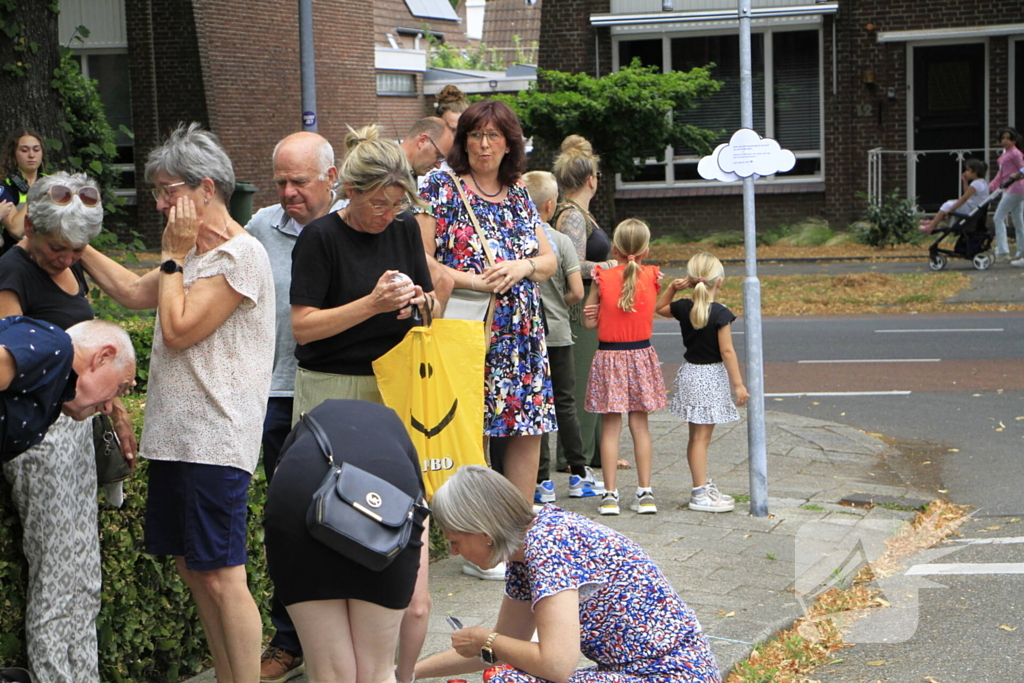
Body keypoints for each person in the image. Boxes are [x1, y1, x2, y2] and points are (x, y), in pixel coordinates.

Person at [81, 123, 276, 682]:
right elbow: (128, 291)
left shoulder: (240, 256)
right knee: (195, 570)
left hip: (215, 441)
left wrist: (171, 258)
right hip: (177, 439)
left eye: (169, 191)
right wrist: (73, 242)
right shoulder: (192, 256)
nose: (161, 202)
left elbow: (178, 327)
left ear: (206, 189)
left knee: (222, 574)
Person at [0, 172, 137, 683]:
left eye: (78, 250)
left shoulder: (68, 264)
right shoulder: (11, 273)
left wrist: (113, 404)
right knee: (58, 578)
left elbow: (92, 350)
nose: (69, 258)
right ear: (30, 226)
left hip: (74, 427)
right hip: (39, 436)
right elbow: (11, 369)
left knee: (84, 575)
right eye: (59, 248)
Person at [413, 465, 722, 683]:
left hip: (672, 674)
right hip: (656, 671)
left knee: (508, 680)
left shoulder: (549, 547)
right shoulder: (529, 544)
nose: (453, 552)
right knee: (508, 673)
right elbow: (507, 645)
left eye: (455, 541)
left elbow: (557, 664)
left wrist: (488, 640)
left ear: (484, 532)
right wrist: (407, 672)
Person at [416, 100, 557, 504]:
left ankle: (516, 533)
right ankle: (477, 534)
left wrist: (521, 267)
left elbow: (547, 262)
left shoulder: (517, 193)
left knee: (526, 426)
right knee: (470, 426)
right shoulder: (437, 187)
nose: (483, 145)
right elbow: (422, 260)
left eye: (493, 135)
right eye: (475, 135)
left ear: (509, 143)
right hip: (469, 328)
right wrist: (475, 282)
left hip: (522, 335)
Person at [245, 130, 345, 683]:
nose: (287, 192)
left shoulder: (355, 226)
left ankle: (346, 638)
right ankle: (290, 641)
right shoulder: (261, 227)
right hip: (277, 393)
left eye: (298, 181)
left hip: (343, 393)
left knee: (346, 515)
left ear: (331, 178)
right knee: (288, 522)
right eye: (280, 181)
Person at [264, 399, 426, 683]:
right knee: (376, 673)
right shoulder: (403, 451)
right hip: (388, 494)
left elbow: (275, 523)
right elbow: (418, 608)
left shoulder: (304, 432)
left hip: (298, 495)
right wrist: (405, 675)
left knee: (330, 673)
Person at [521, 171, 602, 504]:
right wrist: (560, 303)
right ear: (551, 205)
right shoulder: (562, 241)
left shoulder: (519, 240)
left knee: (535, 406)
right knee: (565, 404)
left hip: (528, 336)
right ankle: (578, 472)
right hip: (558, 333)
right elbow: (576, 291)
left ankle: (540, 480)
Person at [581, 219, 666, 516]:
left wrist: (596, 295)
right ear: (646, 250)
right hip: (641, 355)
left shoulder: (602, 276)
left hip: (610, 357)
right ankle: (645, 494)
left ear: (614, 248)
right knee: (640, 426)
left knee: (610, 428)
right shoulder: (654, 276)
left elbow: (589, 322)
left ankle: (609, 495)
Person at [656, 252, 749, 513]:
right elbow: (727, 352)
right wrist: (739, 384)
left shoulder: (685, 307)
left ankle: (700, 485)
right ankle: (700, 493)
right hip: (710, 378)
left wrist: (671, 289)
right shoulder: (720, 313)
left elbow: (660, 308)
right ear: (718, 281)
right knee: (702, 439)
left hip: (690, 374)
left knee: (695, 437)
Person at [551, 135, 619, 472]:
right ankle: (572, 456)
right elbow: (572, 266)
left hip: (591, 306)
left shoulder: (579, 213)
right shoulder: (573, 216)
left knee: (593, 379)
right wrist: (609, 267)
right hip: (578, 310)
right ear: (591, 179)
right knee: (579, 383)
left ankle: (592, 451)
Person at [0, 317, 136, 461]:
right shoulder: (56, 346)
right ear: (104, 356)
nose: (108, 409)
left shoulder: (53, 399)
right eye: (119, 388)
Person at [1, 128, 47, 258]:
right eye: (24, 150)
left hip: (47, 253)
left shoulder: (53, 182)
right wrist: (35, 196)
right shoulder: (5, 187)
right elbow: (15, 229)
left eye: (36, 150)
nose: (31, 155)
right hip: (15, 255)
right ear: (14, 153)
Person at [919, 159, 989, 233]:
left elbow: (964, 198)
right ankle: (934, 221)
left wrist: (950, 209)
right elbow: (967, 193)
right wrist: (965, 181)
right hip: (973, 208)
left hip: (970, 209)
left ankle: (931, 226)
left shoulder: (975, 184)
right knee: (949, 203)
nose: (966, 172)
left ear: (975, 172)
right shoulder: (981, 182)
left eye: (968, 170)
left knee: (947, 205)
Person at [989, 128, 1024, 262]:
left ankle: (1003, 250)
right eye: (1002, 138)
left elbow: (1022, 167)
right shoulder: (1006, 154)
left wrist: (1018, 175)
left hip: (1015, 188)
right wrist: (992, 185)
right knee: (1018, 221)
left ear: (1013, 141)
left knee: (998, 217)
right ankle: (1021, 251)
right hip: (1013, 189)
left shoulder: (1015, 153)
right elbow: (1001, 174)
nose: (1004, 141)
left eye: (1007, 138)